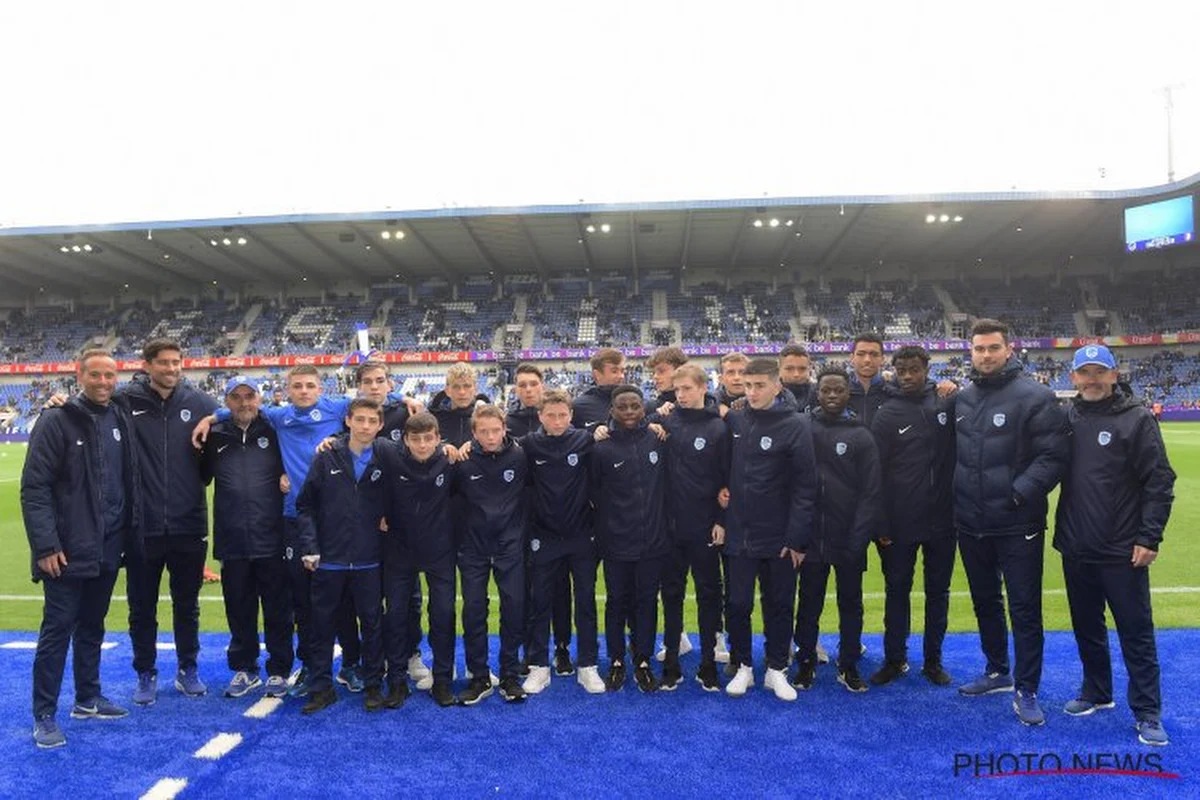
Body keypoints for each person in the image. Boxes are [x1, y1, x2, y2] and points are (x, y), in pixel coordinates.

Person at [1054, 345, 1175, 746]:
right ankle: (1096, 691)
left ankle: (1147, 711)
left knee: (1135, 633)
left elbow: (1159, 481)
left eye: (1099, 372)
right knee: (1087, 627)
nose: (1091, 380)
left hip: (1123, 549)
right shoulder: (1066, 417)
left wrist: (1149, 536)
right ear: (1072, 378)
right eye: (1084, 372)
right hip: (1076, 544)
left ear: (1113, 375)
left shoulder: (1136, 419)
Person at [953, 318, 1069, 726]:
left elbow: (1053, 457)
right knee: (985, 601)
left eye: (992, 348)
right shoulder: (963, 399)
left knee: (1024, 608)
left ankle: (1027, 687)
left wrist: (1017, 493)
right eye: (979, 348)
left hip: (1018, 523)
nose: (985, 355)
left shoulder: (1036, 396)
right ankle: (997, 670)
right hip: (970, 523)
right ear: (970, 351)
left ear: (1008, 349)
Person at [23, 350, 140, 748]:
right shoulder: (55, 420)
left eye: (110, 375)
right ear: (78, 375)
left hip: (108, 545)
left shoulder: (119, 414)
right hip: (67, 550)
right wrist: (46, 545)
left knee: (93, 624)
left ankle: (87, 698)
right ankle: (44, 715)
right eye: (95, 375)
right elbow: (34, 489)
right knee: (57, 631)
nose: (104, 382)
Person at [120, 339, 219, 704]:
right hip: (141, 526)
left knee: (187, 603)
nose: (172, 369)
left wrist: (215, 418)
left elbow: (229, 432)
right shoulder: (124, 402)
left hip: (189, 523)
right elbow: (88, 413)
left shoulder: (201, 404)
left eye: (177, 362)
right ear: (147, 365)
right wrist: (56, 405)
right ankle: (145, 673)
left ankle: (187, 668)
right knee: (141, 606)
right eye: (164, 363)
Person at [723, 358, 817, 702]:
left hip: (779, 537)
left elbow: (806, 485)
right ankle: (744, 666)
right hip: (739, 534)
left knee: (779, 604)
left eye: (759, 385)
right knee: (737, 604)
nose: (752, 392)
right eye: (747, 386)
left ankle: (776, 669)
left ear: (777, 386)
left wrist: (796, 538)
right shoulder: (734, 418)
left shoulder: (796, 425)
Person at [868, 346, 957, 687]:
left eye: (914, 369)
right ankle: (895, 659)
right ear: (894, 371)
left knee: (939, 592)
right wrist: (881, 523)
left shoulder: (946, 403)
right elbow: (875, 473)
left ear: (926, 368)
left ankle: (933, 662)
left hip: (943, 520)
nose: (907, 376)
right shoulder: (887, 413)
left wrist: (950, 390)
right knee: (897, 591)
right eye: (901, 370)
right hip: (900, 522)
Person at [200, 377, 293, 699]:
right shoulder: (215, 435)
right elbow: (201, 476)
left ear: (259, 398)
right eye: (236, 397)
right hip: (232, 537)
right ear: (226, 402)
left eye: (249, 396)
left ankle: (279, 670)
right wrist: (211, 419)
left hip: (273, 535)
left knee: (278, 608)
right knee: (239, 608)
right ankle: (245, 668)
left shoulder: (274, 430)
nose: (243, 403)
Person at [295, 399, 388, 714]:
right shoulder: (327, 455)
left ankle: (374, 683)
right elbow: (305, 505)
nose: (365, 426)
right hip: (330, 559)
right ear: (347, 421)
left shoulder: (388, 457)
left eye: (371, 420)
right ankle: (321, 687)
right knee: (322, 625)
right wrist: (310, 545)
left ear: (380, 425)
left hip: (370, 559)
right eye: (359, 419)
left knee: (373, 624)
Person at [793, 368, 882, 693]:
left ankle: (848, 665)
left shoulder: (861, 436)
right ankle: (805, 663)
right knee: (808, 603)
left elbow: (870, 493)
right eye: (826, 390)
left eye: (838, 391)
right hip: (811, 537)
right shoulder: (804, 429)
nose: (832, 396)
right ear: (818, 393)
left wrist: (858, 538)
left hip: (848, 538)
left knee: (851, 604)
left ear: (848, 394)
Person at [518, 389, 603, 695]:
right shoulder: (528, 445)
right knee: (540, 603)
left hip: (581, 536)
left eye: (562, 415)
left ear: (571, 415)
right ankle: (539, 666)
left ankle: (588, 665)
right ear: (540, 416)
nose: (556, 421)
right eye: (550, 415)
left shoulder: (585, 440)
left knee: (585, 602)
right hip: (544, 537)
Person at [355, 361, 431, 690]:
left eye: (380, 381)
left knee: (410, 595)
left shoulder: (406, 413)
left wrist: (406, 399)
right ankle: (375, 656)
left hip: (403, 523)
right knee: (371, 597)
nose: (374, 386)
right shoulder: (351, 415)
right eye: (368, 381)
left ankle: (411, 653)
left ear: (390, 383)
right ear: (359, 385)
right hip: (366, 523)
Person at [375, 412, 459, 708]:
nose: (422, 445)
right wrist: (332, 440)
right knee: (396, 615)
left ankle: (442, 680)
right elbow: (358, 439)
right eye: (415, 439)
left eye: (428, 439)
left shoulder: (450, 461)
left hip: (440, 551)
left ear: (438, 438)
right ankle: (397, 682)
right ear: (405, 441)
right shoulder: (391, 457)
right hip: (399, 550)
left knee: (443, 614)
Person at [590, 385, 670, 693]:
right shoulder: (601, 448)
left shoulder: (657, 439)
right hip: (616, 543)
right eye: (622, 407)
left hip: (653, 541)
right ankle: (616, 659)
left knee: (646, 602)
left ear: (643, 408)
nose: (628, 413)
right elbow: (595, 492)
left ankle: (643, 659)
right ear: (611, 411)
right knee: (616, 602)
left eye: (634, 406)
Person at [658, 364, 728, 691]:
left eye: (687, 388)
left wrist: (720, 520)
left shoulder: (718, 427)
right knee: (671, 595)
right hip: (670, 529)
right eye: (677, 389)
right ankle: (671, 660)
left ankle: (708, 663)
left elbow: (727, 481)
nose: (681, 395)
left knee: (708, 596)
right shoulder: (665, 422)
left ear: (703, 388)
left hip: (704, 527)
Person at [455, 405, 529, 704]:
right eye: (483, 431)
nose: (490, 436)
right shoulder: (461, 460)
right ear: (473, 433)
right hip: (473, 548)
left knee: (513, 609)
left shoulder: (520, 457)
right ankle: (479, 676)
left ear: (504, 429)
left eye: (495, 430)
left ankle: (510, 675)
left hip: (509, 547)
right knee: (474, 611)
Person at [430, 362, 492, 446]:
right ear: (447, 391)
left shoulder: (489, 418)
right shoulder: (434, 418)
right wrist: (441, 447)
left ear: (475, 389)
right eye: (456, 387)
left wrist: (474, 446)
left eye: (467, 386)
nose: (462, 392)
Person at [572, 348, 627, 430]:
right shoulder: (579, 407)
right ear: (597, 374)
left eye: (622, 371)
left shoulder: (636, 403)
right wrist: (592, 431)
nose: (621, 376)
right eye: (614, 371)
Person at [847, 333, 889, 426]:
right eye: (861, 354)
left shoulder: (892, 392)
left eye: (874, 354)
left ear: (882, 359)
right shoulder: (840, 393)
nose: (867, 360)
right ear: (852, 358)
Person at [644, 346, 688, 415]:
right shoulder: (649, 409)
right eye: (653, 373)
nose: (655, 376)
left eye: (661, 371)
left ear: (679, 370)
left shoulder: (699, 405)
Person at [779, 343, 815, 412]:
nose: (796, 374)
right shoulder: (767, 398)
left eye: (802, 369)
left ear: (809, 369)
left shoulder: (820, 396)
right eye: (789, 369)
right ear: (779, 370)